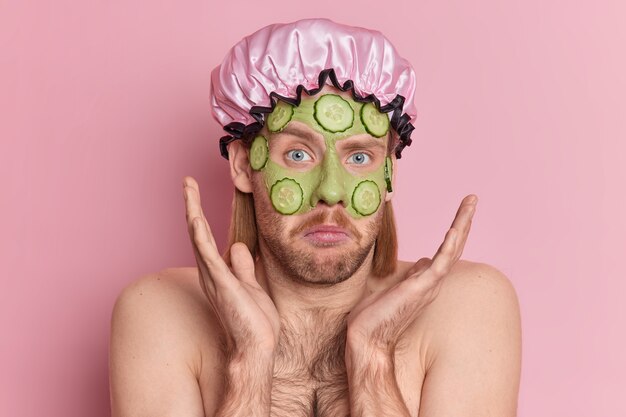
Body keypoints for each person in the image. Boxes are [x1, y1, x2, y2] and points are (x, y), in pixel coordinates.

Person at [109, 18, 522, 417]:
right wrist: (251, 363)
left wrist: (373, 359)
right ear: (241, 166)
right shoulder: (161, 313)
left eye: (359, 157)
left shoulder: (467, 306)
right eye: (298, 154)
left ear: (388, 172)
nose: (331, 192)